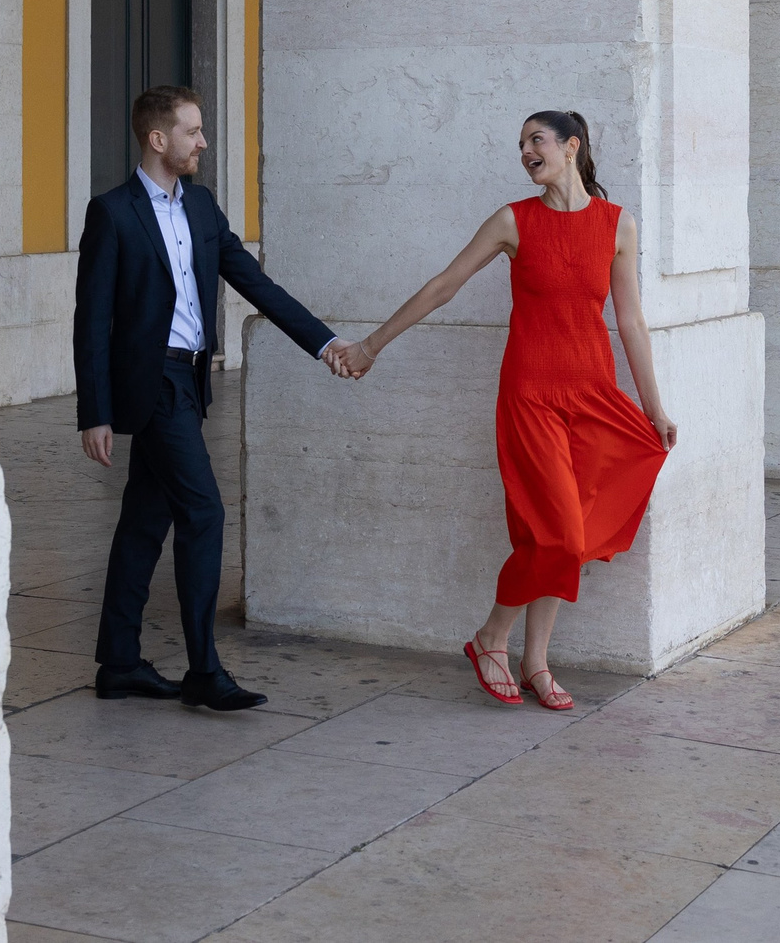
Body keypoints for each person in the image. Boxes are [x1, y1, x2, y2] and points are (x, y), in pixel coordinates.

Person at [334, 111, 674, 711]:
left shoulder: (617, 224)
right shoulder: (513, 221)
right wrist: (370, 346)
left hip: (593, 395)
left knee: (565, 536)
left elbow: (630, 321)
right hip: (532, 395)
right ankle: (493, 635)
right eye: (520, 144)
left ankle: (535, 660)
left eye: (535, 140)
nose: (524, 151)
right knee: (559, 533)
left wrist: (653, 407)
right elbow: (443, 286)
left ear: (571, 147)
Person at [74, 84, 362, 711]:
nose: (203, 142)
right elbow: (91, 320)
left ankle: (119, 663)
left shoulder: (202, 207)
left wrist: (325, 342)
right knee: (203, 513)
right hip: (152, 385)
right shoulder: (113, 213)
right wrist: (94, 412)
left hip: (190, 380)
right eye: (192, 131)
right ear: (158, 139)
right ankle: (203, 670)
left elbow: (256, 283)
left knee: (144, 522)